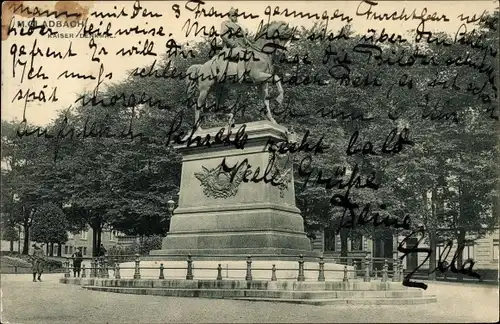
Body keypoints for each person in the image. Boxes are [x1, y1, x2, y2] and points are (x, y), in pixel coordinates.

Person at [220, 7, 252, 82]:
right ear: (229, 16)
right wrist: (233, 44)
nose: (235, 17)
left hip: (241, 47)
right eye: (233, 15)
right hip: (229, 48)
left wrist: (249, 43)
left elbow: (244, 39)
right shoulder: (225, 24)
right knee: (242, 53)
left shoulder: (239, 27)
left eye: (236, 15)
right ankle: (241, 76)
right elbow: (223, 35)